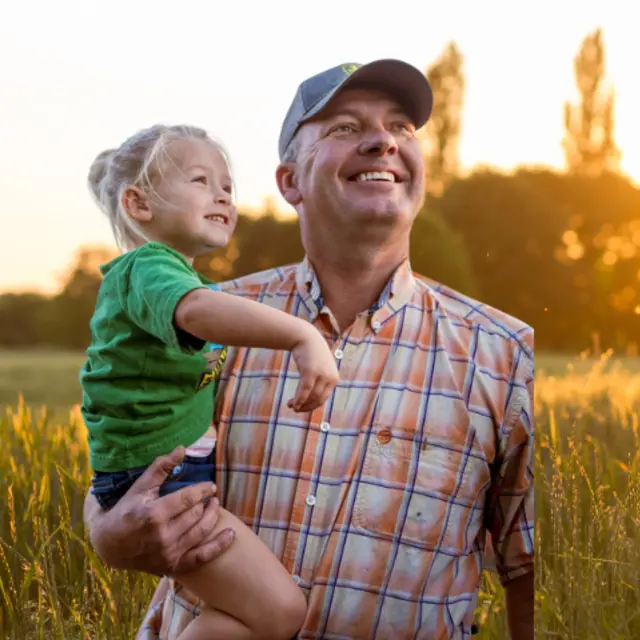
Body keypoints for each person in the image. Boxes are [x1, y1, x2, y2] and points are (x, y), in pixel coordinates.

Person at [84, 60, 534, 640]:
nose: (382, 141)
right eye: (345, 128)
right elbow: (120, 464)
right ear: (290, 182)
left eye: (402, 127)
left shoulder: (503, 353)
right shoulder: (209, 318)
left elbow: (527, 566)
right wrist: (109, 533)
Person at [81, 123, 340, 639]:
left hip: (164, 475)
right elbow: (198, 311)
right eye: (200, 180)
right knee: (280, 612)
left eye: (227, 185)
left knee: (256, 616)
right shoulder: (149, 268)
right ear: (138, 204)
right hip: (162, 484)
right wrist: (301, 336)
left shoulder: (178, 278)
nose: (222, 194)